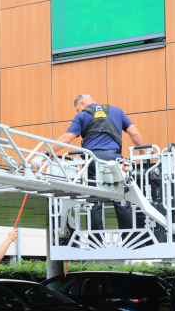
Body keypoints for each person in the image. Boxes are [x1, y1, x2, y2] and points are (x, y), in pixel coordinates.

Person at [54, 94, 144, 231]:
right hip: (115, 162)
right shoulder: (117, 111)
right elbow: (135, 134)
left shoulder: (82, 116)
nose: (79, 112)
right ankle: (129, 236)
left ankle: (96, 236)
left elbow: (67, 138)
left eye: (78, 109)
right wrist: (143, 154)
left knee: (94, 199)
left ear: (83, 104)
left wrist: (47, 151)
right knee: (121, 198)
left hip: (93, 162)